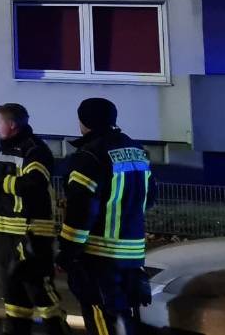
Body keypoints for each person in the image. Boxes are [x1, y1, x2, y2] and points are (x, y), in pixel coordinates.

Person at [57, 98, 154, 335]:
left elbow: (81, 211)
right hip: (133, 254)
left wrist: (67, 254)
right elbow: (149, 199)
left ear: (83, 121)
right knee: (124, 319)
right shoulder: (137, 151)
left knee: (103, 318)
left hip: (99, 256)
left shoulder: (88, 157)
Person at [0, 104, 68, 335]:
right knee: (14, 296)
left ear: (12, 125)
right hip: (8, 233)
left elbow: (34, 184)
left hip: (31, 233)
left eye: (0, 123)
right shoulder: (6, 150)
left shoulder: (35, 150)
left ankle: (57, 330)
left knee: (39, 291)